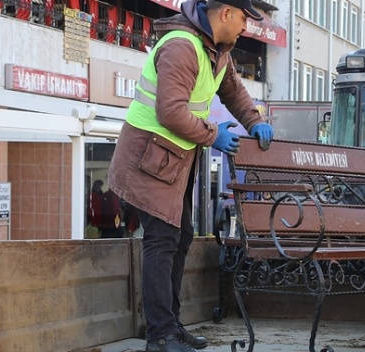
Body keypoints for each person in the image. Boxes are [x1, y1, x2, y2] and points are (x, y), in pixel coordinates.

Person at [108, 0, 272, 351]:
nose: (247, 27)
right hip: (146, 159)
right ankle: (161, 336)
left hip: (169, 160)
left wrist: (254, 121)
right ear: (225, 13)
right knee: (162, 241)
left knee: (179, 238)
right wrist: (215, 135)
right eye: (244, 18)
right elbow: (170, 112)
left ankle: (170, 326)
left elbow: (233, 91)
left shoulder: (215, 49)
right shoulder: (183, 46)